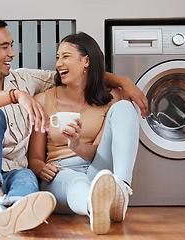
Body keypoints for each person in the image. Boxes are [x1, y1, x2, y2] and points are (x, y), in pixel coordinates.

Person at [0, 16, 146, 236]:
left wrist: (124, 82)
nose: (12, 53)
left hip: (13, 176)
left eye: (12, 46)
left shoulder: (25, 78)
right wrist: (15, 96)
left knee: (27, 176)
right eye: (4, 47)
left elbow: (77, 76)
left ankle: (15, 211)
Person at [28, 32, 140, 235]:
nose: (59, 63)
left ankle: (121, 188)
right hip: (60, 174)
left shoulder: (110, 97)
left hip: (99, 169)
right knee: (76, 182)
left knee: (125, 107)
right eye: (57, 57)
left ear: (86, 60)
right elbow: (34, 159)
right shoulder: (42, 100)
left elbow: (99, 154)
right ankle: (94, 207)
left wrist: (76, 145)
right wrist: (41, 169)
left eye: (66, 56)